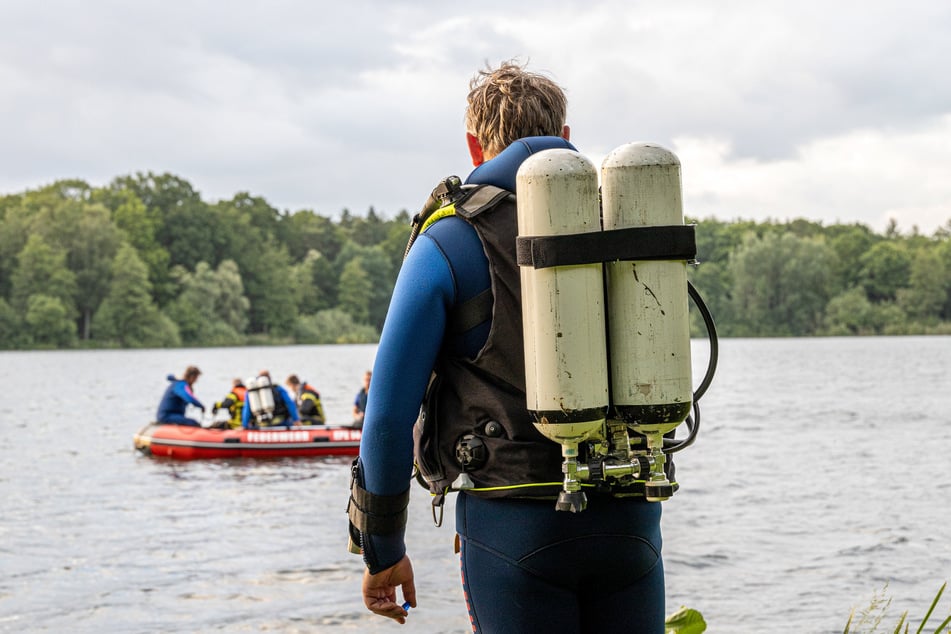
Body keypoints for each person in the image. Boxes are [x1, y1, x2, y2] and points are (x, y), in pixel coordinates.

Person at [349, 61, 666, 632]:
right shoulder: (623, 221)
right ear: (565, 140)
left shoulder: (450, 238)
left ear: (475, 146)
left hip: (512, 533)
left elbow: (389, 417)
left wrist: (382, 549)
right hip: (631, 526)